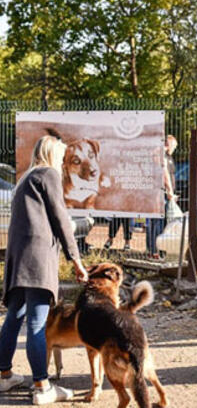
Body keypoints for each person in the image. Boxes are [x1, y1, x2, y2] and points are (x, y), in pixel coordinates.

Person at [0, 135, 88, 405]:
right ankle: (42, 386)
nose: (62, 162)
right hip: (37, 260)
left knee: (14, 317)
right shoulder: (48, 174)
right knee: (37, 323)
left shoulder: (25, 178)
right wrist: (76, 260)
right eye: (61, 156)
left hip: (18, 259)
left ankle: (4, 375)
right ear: (53, 154)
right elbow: (60, 217)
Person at [147, 134, 178, 258]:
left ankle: (154, 250)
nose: (174, 149)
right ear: (169, 143)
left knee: (157, 222)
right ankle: (155, 251)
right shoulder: (161, 155)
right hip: (160, 193)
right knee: (157, 222)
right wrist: (170, 191)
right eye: (174, 146)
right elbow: (164, 173)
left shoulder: (165, 156)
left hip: (162, 193)